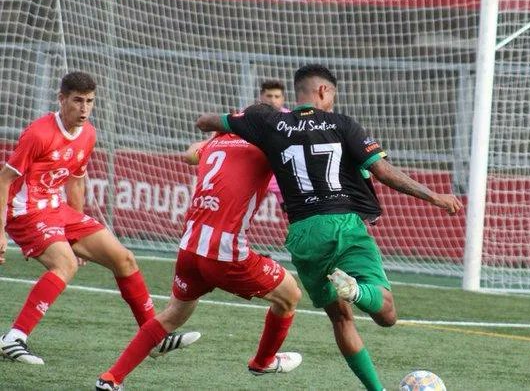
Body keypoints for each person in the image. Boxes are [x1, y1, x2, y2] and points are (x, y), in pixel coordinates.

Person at [196, 64, 463, 391]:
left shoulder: (267, 122)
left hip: (302, 235)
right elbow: (383, 172)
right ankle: (357, 291)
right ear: (323, 91)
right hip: (342, 225)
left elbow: (206, 121)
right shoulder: (342, 124)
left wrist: (233, 123)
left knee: (340, 318)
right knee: (387, 313)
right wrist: (434, 196)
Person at [0, 72, 199, 365]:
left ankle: (154, 337)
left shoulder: (88, 134)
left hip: (57, 209)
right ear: (61, 99)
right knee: (65, 264)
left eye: (90, 101)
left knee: (124, 258)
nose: (84, 108)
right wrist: (1, 231)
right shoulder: (39, 133)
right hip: (25, 211)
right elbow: (4, 179)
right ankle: (14, 338)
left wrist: (76, 231)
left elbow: (76, 182)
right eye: (77, 100)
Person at [95, 127, 303, 390]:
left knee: (173, 314)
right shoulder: (265, 143)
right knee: (290, 295)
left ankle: (111, 378)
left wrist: (215, 138)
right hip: (226, 254)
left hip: (190, 248)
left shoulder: (219, 140)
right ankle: (263, 362)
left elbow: (190, 154)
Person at [258, 79, 288, 209]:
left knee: (289, 213)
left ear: (283, 99)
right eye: (269, 96)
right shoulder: (248, 116)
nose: (273, 100)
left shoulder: (290, 119)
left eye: (277, 96)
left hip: (281, 180)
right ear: (261, 96)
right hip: (256, 178)